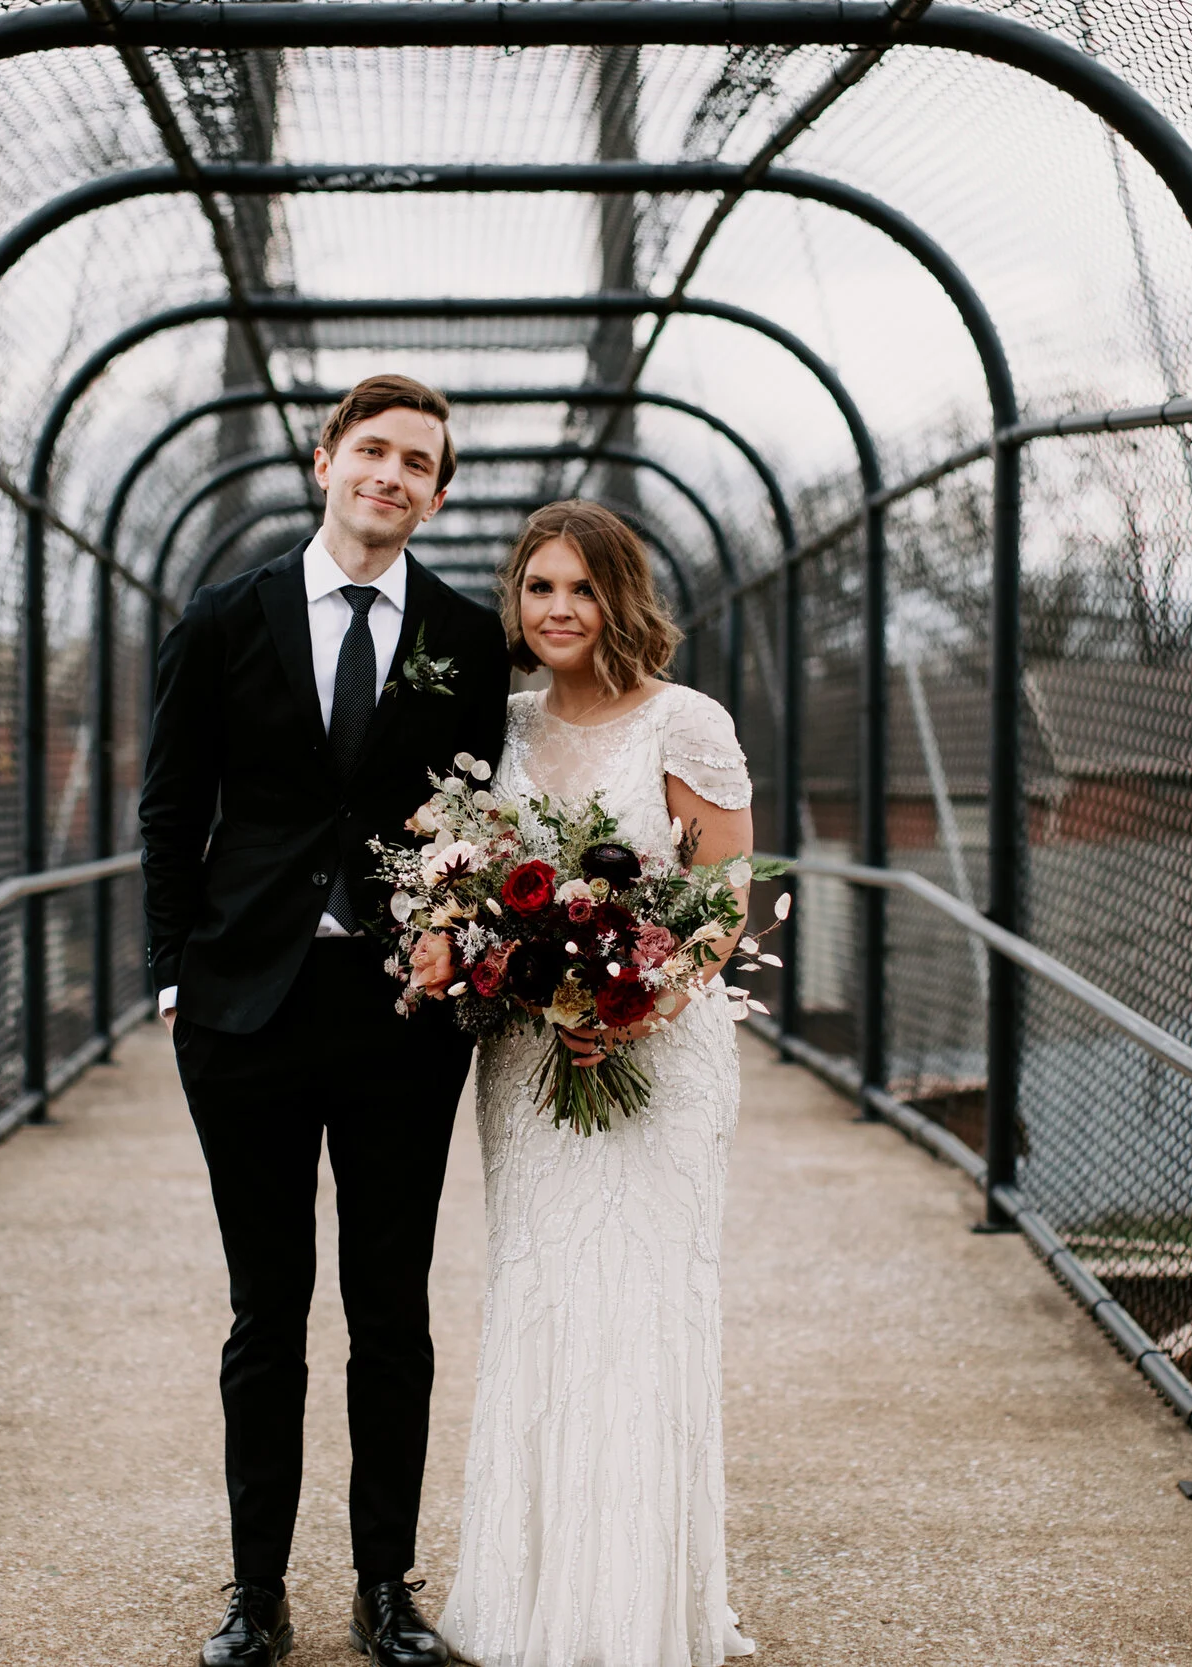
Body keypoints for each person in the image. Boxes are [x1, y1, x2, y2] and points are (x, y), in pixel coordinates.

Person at [140, 374, 511, 1667]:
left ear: (440, 490)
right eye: (374, 450)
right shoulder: (225, 617)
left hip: (404, 1015)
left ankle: (382, 1586)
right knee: (267, 1309)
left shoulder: (466, 635)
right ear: (325, 461)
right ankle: (256, 1593)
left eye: (420, 461)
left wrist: (464, 963)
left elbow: (487, 815)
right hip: (243, 1008)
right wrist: (175, 977)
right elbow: (171, 811)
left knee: (391, 1306)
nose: (393, 475)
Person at [436, 500, 759, 1667]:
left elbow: (721, 897)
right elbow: (466, 879)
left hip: (658, 1051)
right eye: (537, 588)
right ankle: (528, 1597)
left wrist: (632, 1003)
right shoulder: (503, 725)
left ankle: (632, 1610)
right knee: (542, 1297)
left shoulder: (687, 722)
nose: (556, 609)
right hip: (527, 1056)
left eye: (579, 587)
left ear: (620, 596)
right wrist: (531, 985)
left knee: (638, 1303)